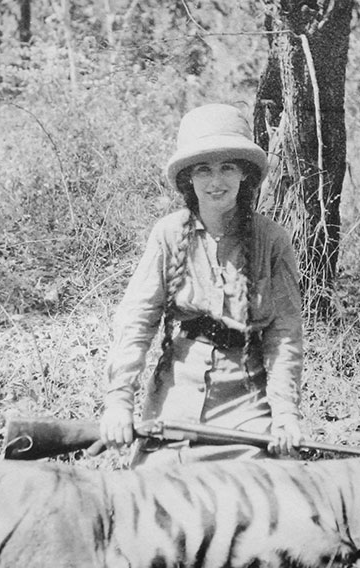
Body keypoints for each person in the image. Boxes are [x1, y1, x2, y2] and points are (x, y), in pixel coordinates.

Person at [100, 103, 303, 466]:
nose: (216, 181)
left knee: (273, 500)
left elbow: (284, 334)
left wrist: (285, 413)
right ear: (188, 180)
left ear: (244, 175)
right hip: (175, 397)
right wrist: (118, 402)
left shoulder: (271, 239)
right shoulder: (169, 234)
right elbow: (137, 321)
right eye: (203, 170)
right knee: (152, 502)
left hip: (246, 404)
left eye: (228, 167)